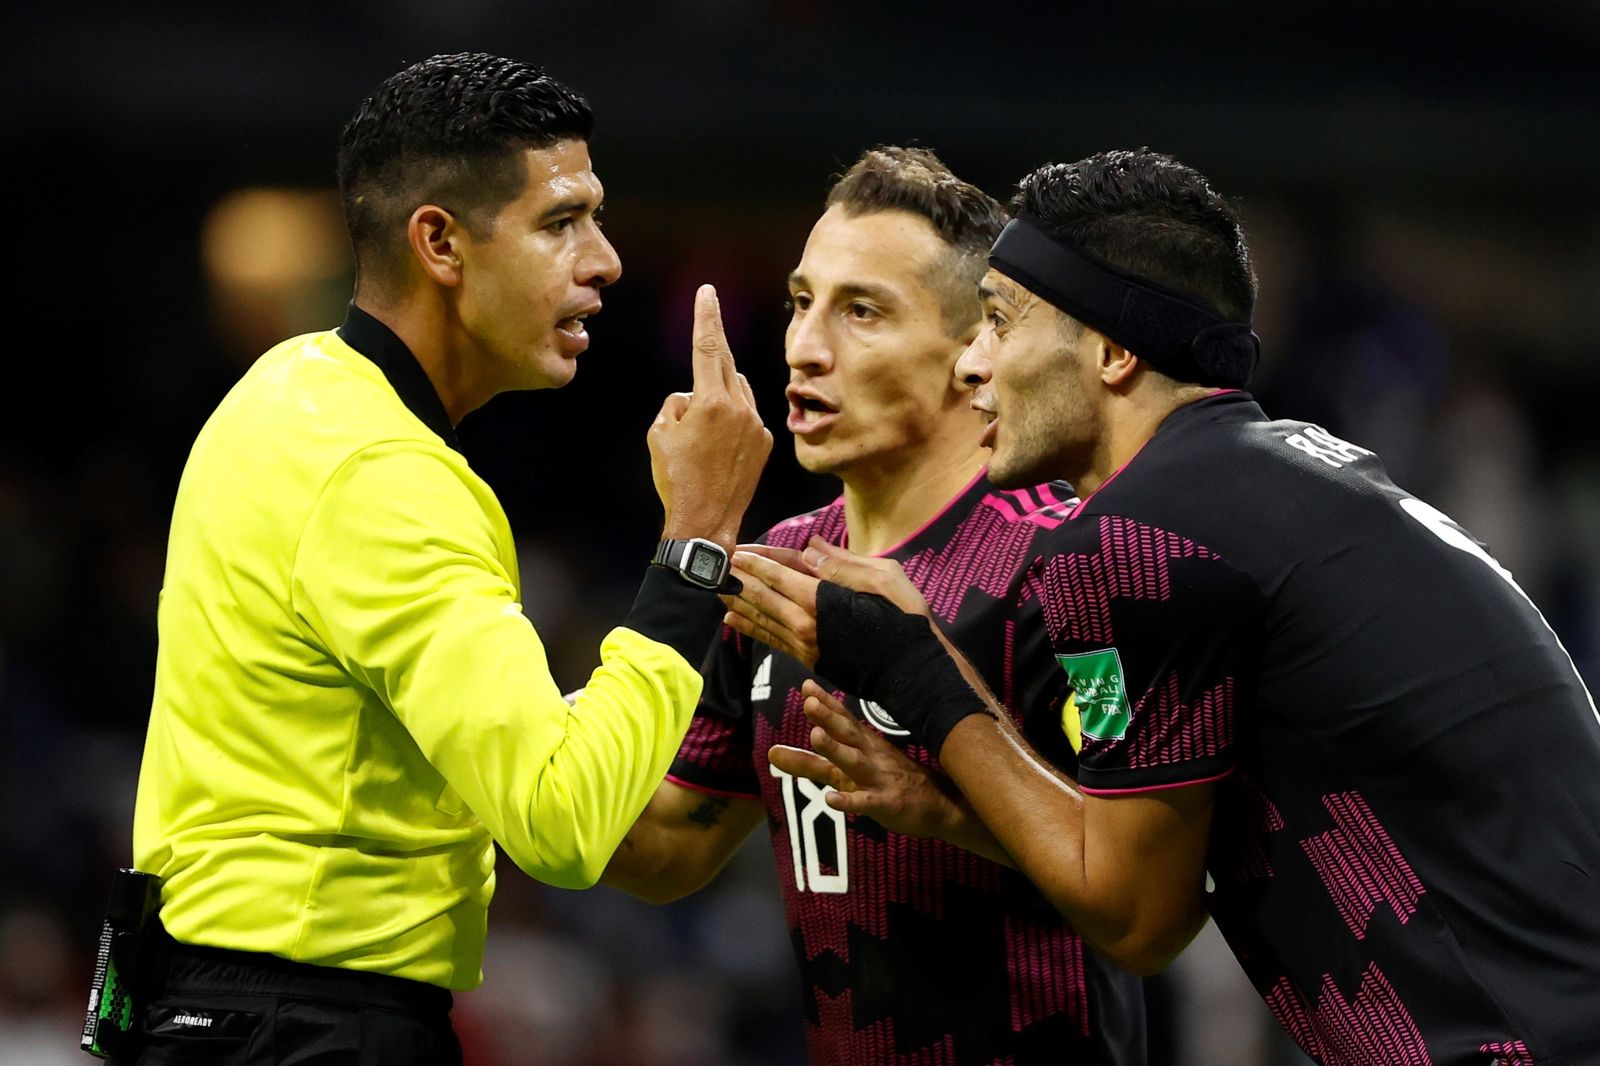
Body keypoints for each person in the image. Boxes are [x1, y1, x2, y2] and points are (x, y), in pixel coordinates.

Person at [726, 149, 1600, 1065]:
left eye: (999, 321)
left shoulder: (1133, 538)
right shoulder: (1277, 475)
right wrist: (947, 814)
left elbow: (1138, 922)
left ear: (1111, 351)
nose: (974, 365)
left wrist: (913, 664)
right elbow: (1146, 875)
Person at [122, 52, 771, 1064]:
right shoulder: (384, 471)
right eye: (561, 222)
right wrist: (695, 543)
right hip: (309, 1025)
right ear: (440, 242)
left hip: (218, 1006)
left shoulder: (287, 388)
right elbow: (559, 819)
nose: (603, 260)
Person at [601, 146, 1146, 1065]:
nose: (805, 347)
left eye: (862, 312)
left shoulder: (1072, 560)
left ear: (975, 353)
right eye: (802, 302)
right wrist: (471, 709)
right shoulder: (778, 571)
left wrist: (947, 809)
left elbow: (1149, 881)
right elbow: (667, 848)